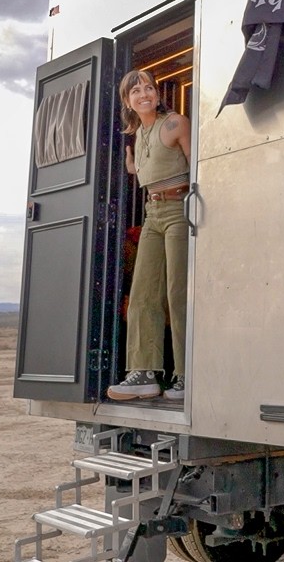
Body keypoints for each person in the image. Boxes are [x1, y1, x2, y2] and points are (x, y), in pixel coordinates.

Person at [107, 69, 192, 401]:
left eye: (149, 88)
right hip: (152, 214)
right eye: (135, 91)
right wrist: (133, 169)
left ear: (157, 94)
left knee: (177, 291)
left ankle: (186, 374)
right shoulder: (139, 135)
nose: (144, 93)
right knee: (142, 293)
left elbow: (200, 166)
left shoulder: (175, 124)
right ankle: (143, 373)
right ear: (128, 101)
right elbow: (149, 168)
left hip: (179, 210)